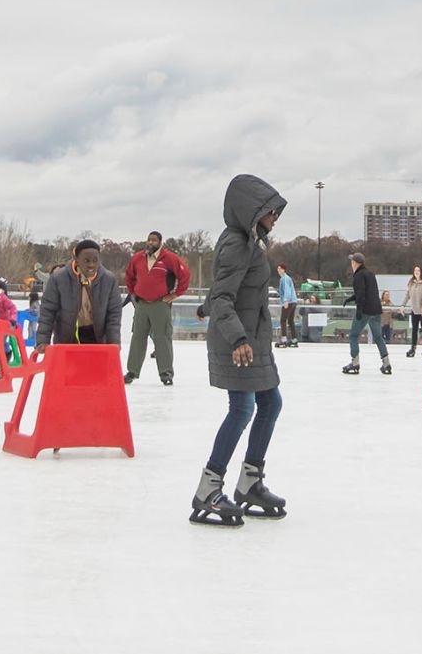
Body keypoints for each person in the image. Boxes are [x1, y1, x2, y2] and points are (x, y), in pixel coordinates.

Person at [190, 174, 289, 528]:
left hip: (253, 338)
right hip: (238, 342)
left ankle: (250, 481)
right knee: (242, 408)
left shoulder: (253, 241)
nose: (275, 215)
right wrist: (238, 338)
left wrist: (205, 307)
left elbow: (223, 288)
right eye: (269, 209)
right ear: (250, 209)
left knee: (270, 403)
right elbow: (224, 296)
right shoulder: (236, 243)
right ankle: (208, 488)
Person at [123, 230, 192, 386]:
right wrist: (133, 293)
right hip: (142, 305)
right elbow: (129, 276)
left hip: (160, 304)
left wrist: (176, 294)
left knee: (162, 338)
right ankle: (132, 371)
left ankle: (166, 373)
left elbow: (185, 274)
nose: (150, 243)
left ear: (160, 242)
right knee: (137, 338)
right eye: (149, 240)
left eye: (154, 240)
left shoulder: (169, 258)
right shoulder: (138, 258)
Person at [35, 240, 124, 351]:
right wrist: (43, 340)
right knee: (69, 368)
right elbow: (48, 311)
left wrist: (113, 342)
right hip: (67, 339)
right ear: (76, 260)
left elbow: (114, 314)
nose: (91, 265)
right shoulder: (58, 279)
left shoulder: (109, 280)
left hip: (97, 339)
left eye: (95, 260)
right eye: (86, 261)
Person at [340, 253, 391, 376]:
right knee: (378, 337)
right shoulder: (370, 274)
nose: (351, 263)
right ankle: (386, 363)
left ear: (355, 263)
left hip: (365, 310)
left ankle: (355, 363)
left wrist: (359, 309)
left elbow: (361, 294)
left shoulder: (358, 276)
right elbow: (369, 292)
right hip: (376, 310)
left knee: (353, 335)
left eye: (352, 261)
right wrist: (351, 298)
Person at [275, 263, 300, 349]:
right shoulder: (287, 278)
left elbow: (287, 290)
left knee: (283, 320)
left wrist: (285, 300)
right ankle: (294, 339)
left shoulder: (284, 279)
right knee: (290, 321)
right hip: (293, 301)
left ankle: (284, 339)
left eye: (279, 269)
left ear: (283, 269)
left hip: (289, 302)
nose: (278, 270)